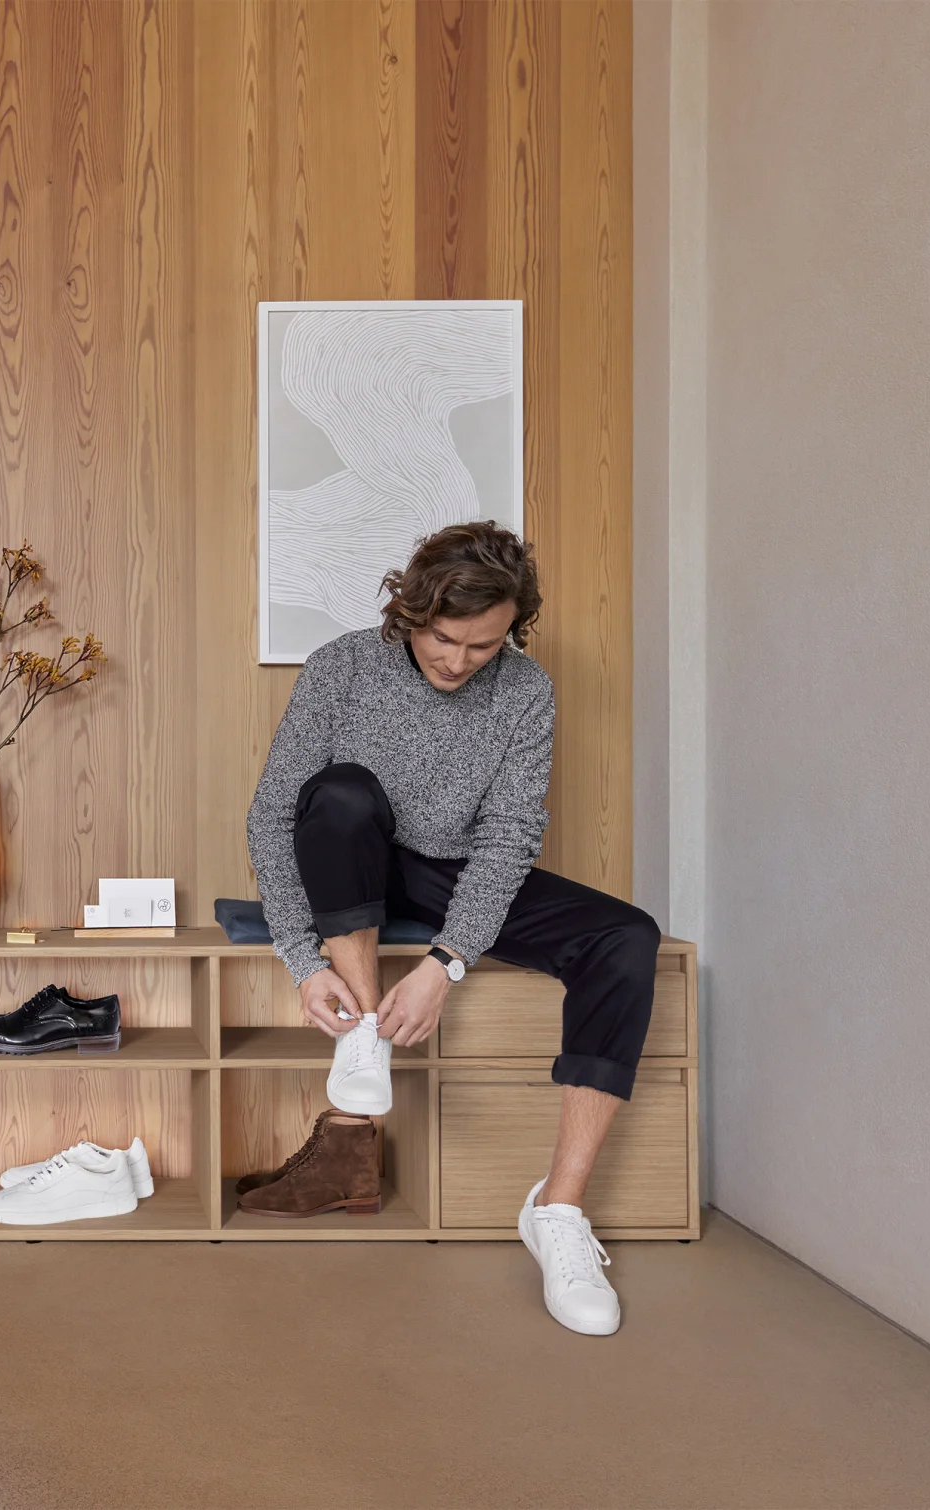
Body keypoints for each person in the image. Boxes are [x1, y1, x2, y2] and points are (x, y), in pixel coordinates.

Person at [246, 522, 662, 1336]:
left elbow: (509, 836)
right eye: (444, 638)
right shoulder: (344, 665)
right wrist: (302, 957)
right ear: (409, 612)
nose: (458, 661)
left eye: (483, 646)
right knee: (339, 794)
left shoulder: (525, 690)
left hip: (450, 876)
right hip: (347, 853)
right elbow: (272, 816)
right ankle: (363, 1033)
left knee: (629, 937)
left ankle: (558, 1213)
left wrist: (447, 962)